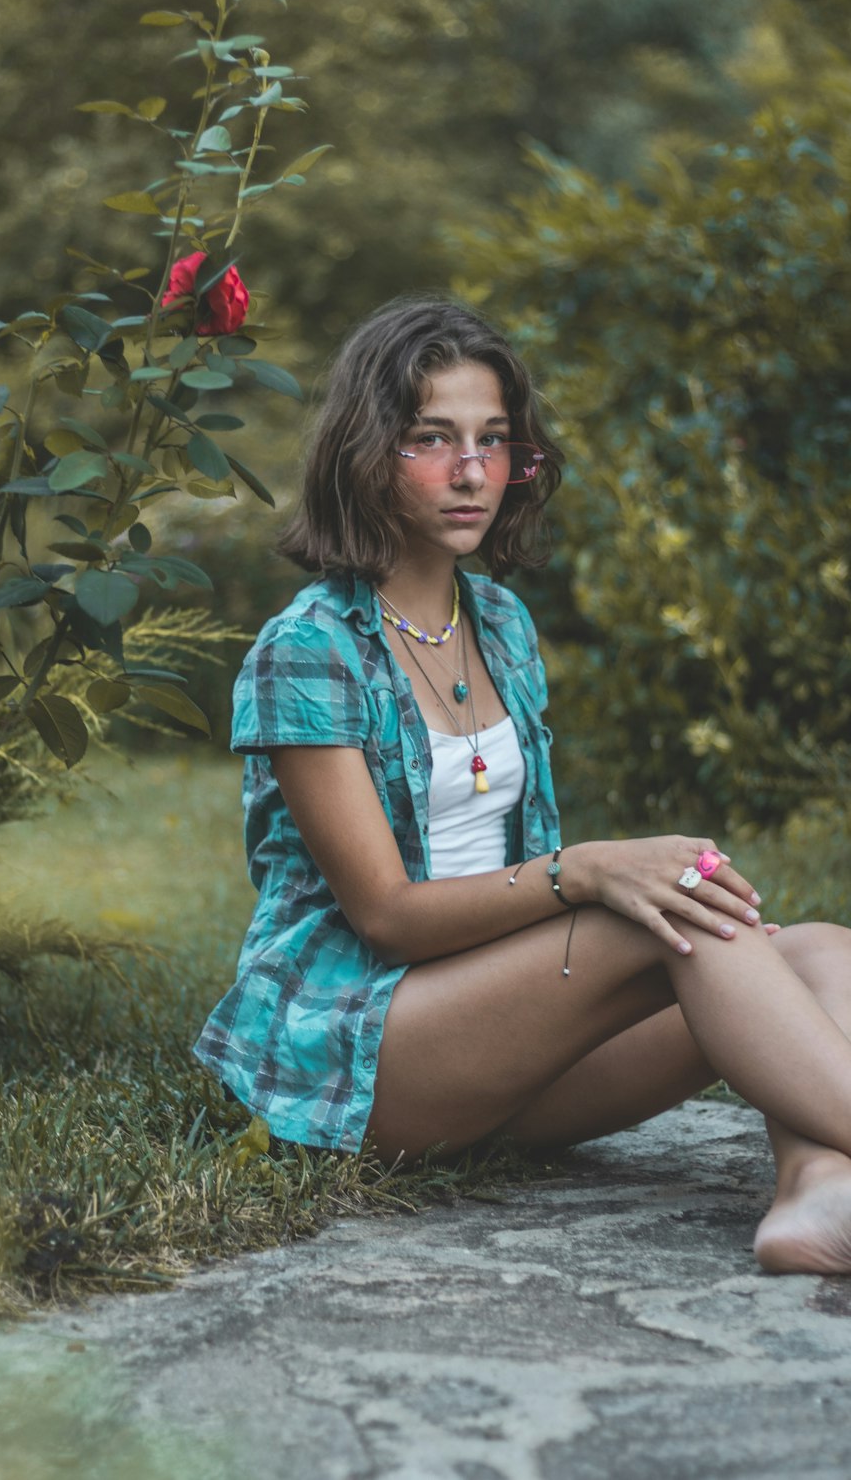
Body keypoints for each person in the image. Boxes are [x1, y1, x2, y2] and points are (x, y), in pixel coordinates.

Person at [194, 296, 851, 1275]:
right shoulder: (307, 650)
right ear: (367, 452)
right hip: (364, 1056)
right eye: (432, 439)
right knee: (657, 912)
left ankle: (816, 1191)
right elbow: (383, 915)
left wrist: (584, 886)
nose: (471, 473)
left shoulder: (497, 622)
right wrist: (579, 871)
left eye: (493, 440)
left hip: (499, 1049)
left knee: (817, 949)